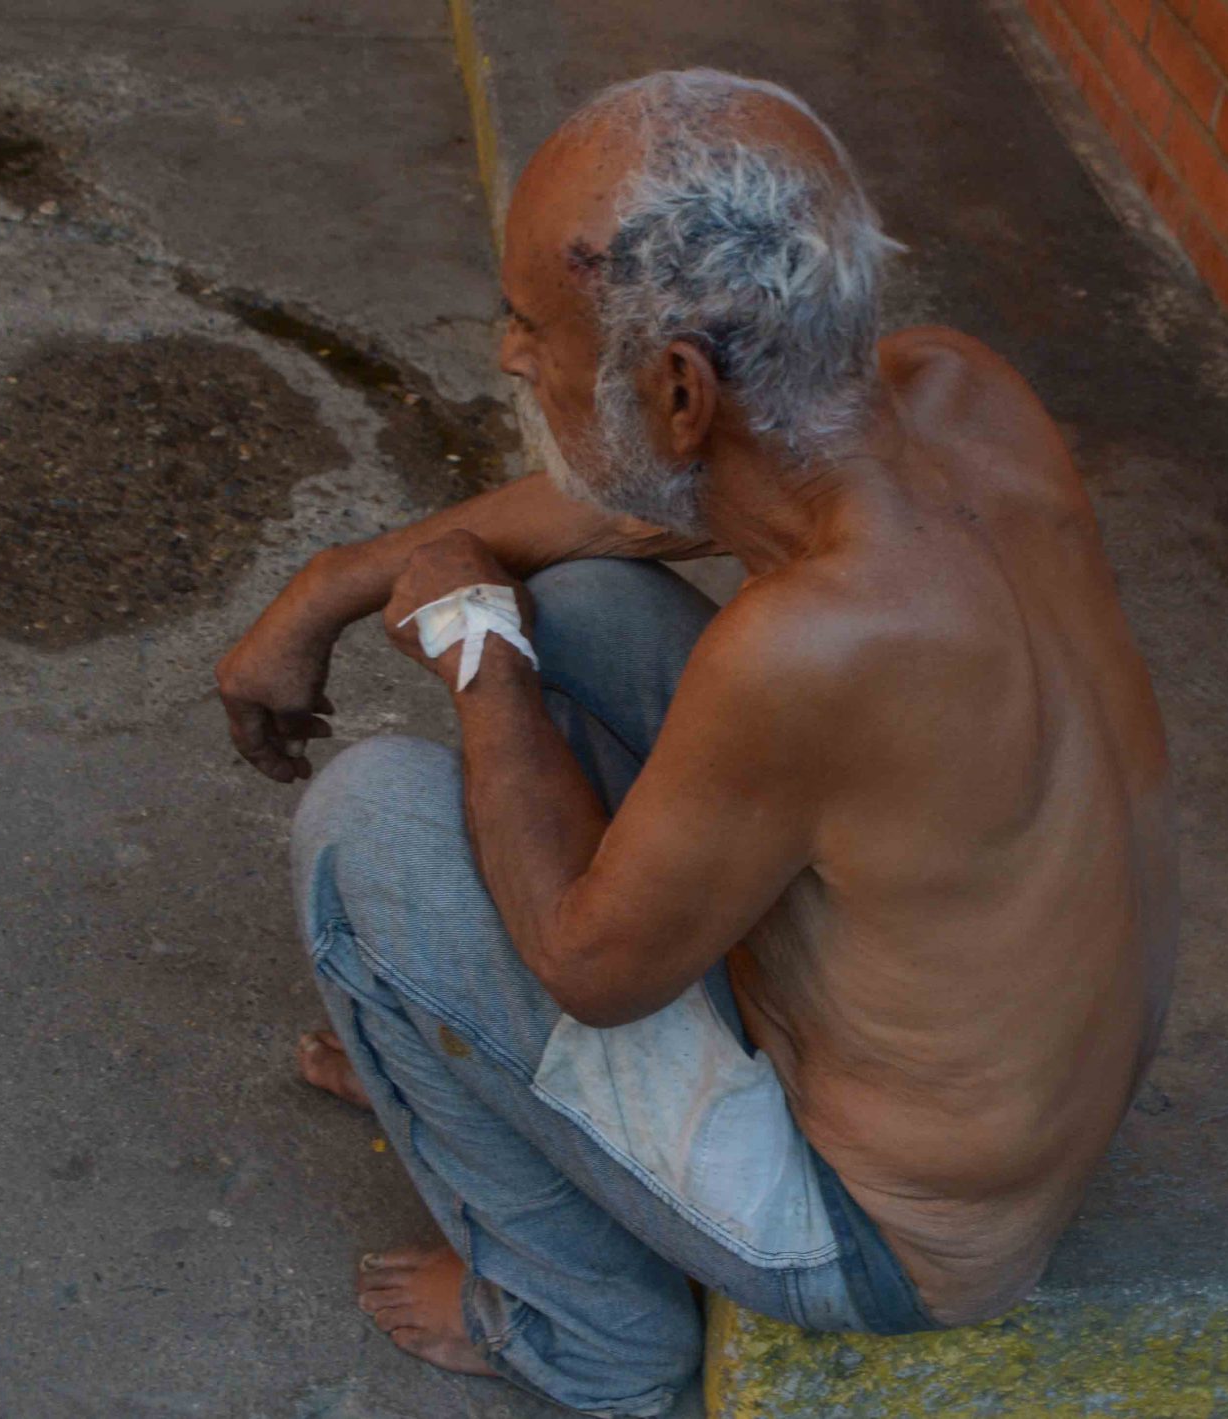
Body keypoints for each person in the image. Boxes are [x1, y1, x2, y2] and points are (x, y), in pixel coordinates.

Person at [214, 68, 1177, 1417]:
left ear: (678, 390)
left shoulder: (814, 647)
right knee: (589, 604)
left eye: (530, 328)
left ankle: (577, 1330)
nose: (510, 356)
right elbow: (617, 521)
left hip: (884, 1235)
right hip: (1009, 1109)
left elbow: (585, 964)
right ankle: (460, 1061)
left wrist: (476, 654)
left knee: (366, 827)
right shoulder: (952, 393)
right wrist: (334, 583)